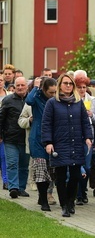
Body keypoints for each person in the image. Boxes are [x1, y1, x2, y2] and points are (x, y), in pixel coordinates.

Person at [41, 73, 93, 217]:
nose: (68, 86)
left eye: (70, 84)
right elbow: (46, 124)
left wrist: (88, 137)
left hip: (76, 143)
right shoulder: (52, 103)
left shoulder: (78, 102)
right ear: (60, 86)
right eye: (65, 83)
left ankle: (71, 201)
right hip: (60, 144)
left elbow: (84, 121)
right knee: (61, 176)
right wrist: (48, 142)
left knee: (76, 176)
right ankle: (64, 205)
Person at [23, 77, 57, 211]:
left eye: (55, 92)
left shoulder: (56, 100)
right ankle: (44, 201)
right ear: (44, 90)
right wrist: (36, 86)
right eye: (51, 92)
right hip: (37, 138)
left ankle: (44, 195)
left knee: (51, 170)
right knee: (41, 169)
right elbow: (28, 100)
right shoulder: (36, 98)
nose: (53, 95)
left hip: (53, 137)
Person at [0, 77, 29, 198]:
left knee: (24, 165)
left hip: (26, 138)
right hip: (10, 138)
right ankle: (13, 187)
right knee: (12, 163)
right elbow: (1, 118)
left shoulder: (31, 100)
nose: (20, 88)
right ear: (14, 86)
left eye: (22, 85)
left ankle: (21, 187)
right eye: (18, 86)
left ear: (27, 86)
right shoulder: (8, 100)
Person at [74, 75, 95, 205]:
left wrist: (91, 114)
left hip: (88, 136)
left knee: (87, 167)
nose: (82, 89)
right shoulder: (71, 100)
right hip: (74, 135)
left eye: (84, 87)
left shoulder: (92, 100)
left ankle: (83, 190)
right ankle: (78, 194)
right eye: (79, 87)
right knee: (77, 166)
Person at [0, 74, 11, 190]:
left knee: (4, 157)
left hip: (4, 130)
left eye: (1, 80)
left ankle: (6, 180)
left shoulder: (9, 96)